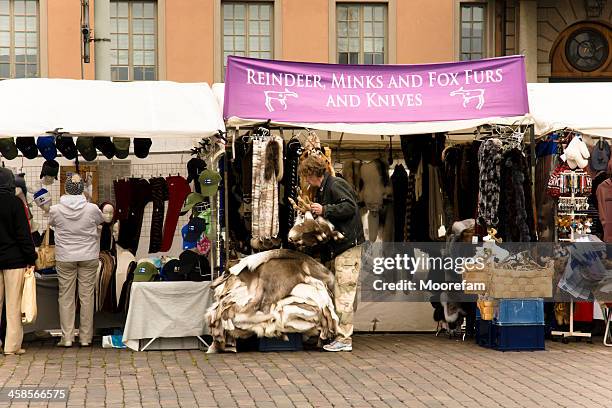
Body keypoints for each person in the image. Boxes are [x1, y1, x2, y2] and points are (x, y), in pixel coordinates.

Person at [299, 154, 364, 352]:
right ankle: (338, 336)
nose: (305, 180)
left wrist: (324, 209)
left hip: (347, 249)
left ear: (312, 173)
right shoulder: (325, 188)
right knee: (339, 294)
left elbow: (350, 207)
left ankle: (344, 340)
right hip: (340, 248)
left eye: (306, 175)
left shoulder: (335, 184)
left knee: (344, 294)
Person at [49, 173, 104, 347]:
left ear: (65, 189)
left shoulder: (55, 209)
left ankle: (67, 338)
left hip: (65, 257)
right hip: (88, 255)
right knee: (86, 296)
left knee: (66, 297)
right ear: (82, 190)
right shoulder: (92, 208)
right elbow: (100, 221)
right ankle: (86, 337)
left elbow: (52, 224)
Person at [0, 167, 37, 355]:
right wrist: (32, 257)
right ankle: (11, 346)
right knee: (13, 305)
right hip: (14, 261)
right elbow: (24, 234)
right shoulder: (15, 203)